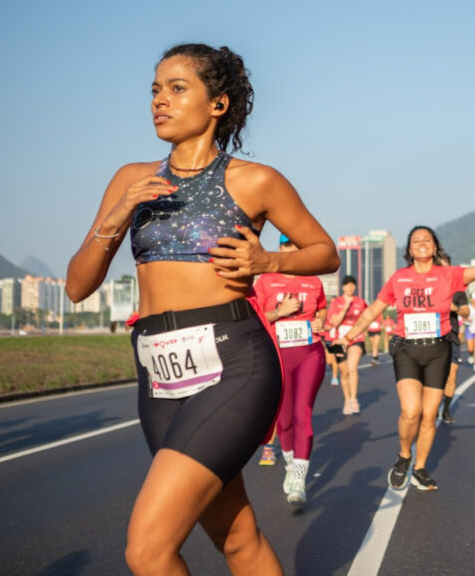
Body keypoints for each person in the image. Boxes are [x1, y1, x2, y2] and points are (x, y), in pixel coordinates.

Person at [66, 43, 339, 574]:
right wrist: (120, 213)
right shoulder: (130, 179)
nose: (159, 101)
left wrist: (266, 259)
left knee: (147, 550)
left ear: (217, 104)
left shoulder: (254, 180)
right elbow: (78, 286)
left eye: (176, 88)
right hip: (158, 375)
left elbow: (323, 251)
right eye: (154, 89)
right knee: (236, 538)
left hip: (234, 362)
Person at [334, 226, 475, 491]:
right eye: (416, 240)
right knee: (411, 411)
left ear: (435, 247)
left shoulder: (450, 275)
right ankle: (404, 456)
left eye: (428, 240)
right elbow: (371, 312)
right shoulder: (398, 278)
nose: (422, 243)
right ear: (410, 249)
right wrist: (348, 337)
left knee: (429, 415)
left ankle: (420, 467)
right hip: (407, 350)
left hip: (438, 351)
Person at [253, 233, 328, 505]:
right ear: (280, 248)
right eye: (287, 245)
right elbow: (255, 318)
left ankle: (299, 477)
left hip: (310, 352)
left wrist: (320, 322)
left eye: (298, 246)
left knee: (302, 413)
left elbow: (321, 311)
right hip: (277, 355)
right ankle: (288, 462)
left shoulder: (314, 281)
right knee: (284, 419)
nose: (292, 250)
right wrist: (280, 311)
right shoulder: (265, 281)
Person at [327, 275, 368, 415]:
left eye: (352, 284)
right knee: (344, 373)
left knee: (352, 368)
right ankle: (347, 399)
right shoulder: (335, 303)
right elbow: (335, 323)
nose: (350, 287)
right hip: (339, 340)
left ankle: (353, 399)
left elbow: (365, 320)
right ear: (343, 287)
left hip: (356, 338)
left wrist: (361, 331)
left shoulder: (361, 302)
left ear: (355, 286)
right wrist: (345, 307)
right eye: (347, 285)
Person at [439, 253, 470, 425]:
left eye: (445, 267)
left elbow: (466, 312)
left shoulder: (458, 291)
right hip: (432, 337)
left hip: (451, 336)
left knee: (452, 374)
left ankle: (446, 410)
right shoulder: (428, 289)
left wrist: (455, 308)